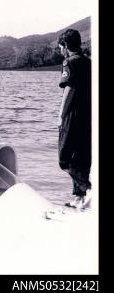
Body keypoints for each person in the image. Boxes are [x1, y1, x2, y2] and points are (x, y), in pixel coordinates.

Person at [57, 29, 92, 209]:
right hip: (90, 116)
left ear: (65, 46)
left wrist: (61, 116)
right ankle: (80, 198)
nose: (60, 51)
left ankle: (88, 189)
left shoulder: (69, 63)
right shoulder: (89, 62)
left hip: (74, 115)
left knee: (65, 159)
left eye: (61, 47)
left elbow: (69, 91)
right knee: (81, 158)